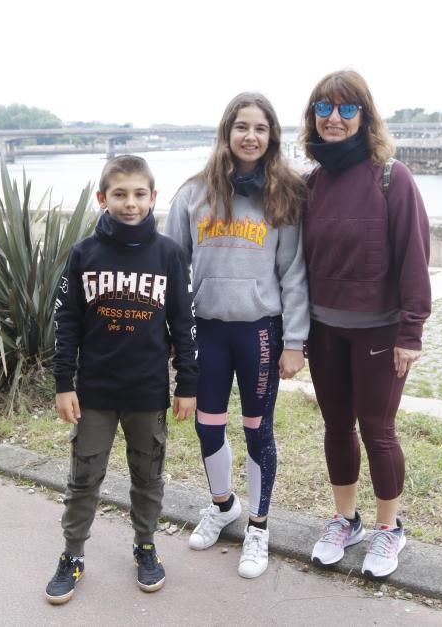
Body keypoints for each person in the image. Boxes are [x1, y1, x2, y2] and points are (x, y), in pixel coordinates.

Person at [164, 92, 309, 579]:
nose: (250, 136)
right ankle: (224, 505)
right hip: (207, 330)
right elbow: (173, 268)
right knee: (207, 425)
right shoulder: (191, 194)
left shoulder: (282, 194)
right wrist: (171, 336)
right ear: (226, 132)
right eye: (241, 126)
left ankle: (259, 526)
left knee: (256, 430)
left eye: (260, 128)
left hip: (260, 332)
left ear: (272, 137)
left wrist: (294, 342)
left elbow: (293, 273)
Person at [46, 154, 198, 604]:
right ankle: (72, 555)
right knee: (83, 478)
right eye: (119, 194)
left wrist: (187, 383)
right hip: (94, 391)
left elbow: (183, 324)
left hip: (148, 392)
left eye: (138, 194)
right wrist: (63, 382)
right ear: (102, 198)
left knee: (148, 477)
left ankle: (145, 545)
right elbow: (67, 322)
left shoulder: (169, 254)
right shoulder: (84, 253)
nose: (130, 204)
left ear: (153, 197)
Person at [300, 70, 431, 579]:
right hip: (324, 330)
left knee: (378, 430)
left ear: (365, 116)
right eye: (324, 108)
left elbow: (415, 256)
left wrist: (411, 332)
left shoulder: (390, 178)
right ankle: (345, 520)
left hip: (380, 331)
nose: (334, 118)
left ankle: (388, 530)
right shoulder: (312, 183)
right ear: (313, 117)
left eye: (347, 109)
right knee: (336, 426)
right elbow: (299, 262)